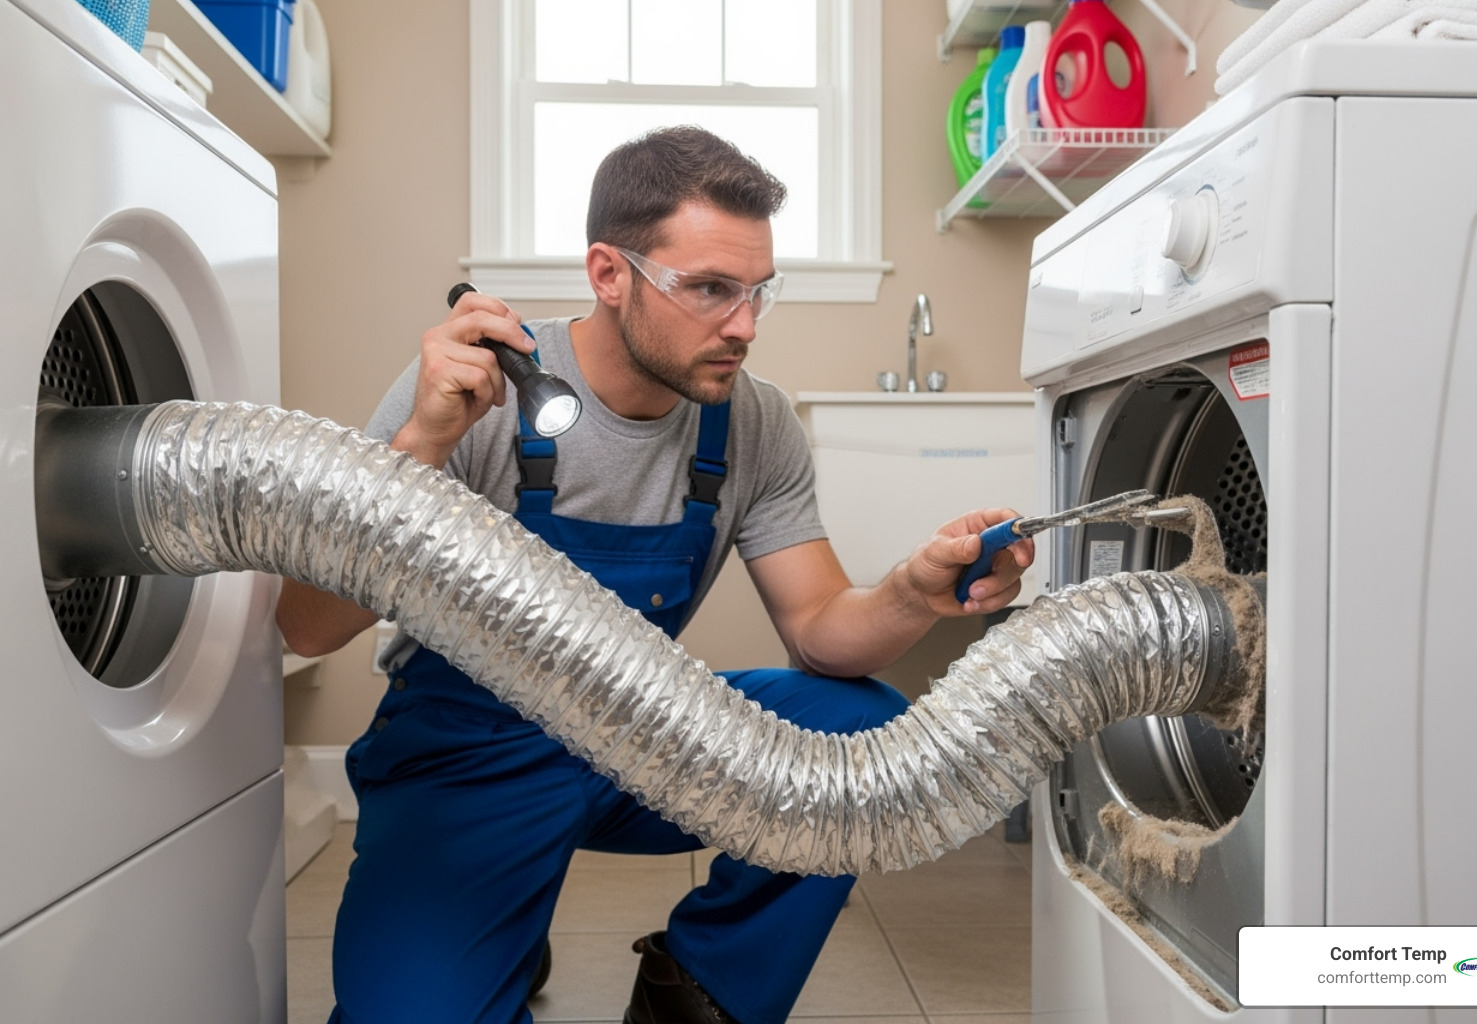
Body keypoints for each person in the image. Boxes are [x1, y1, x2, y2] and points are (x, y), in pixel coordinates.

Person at [277, 125, 1034, 1024]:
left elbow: (820, 627)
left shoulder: (754, 423)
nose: (744, 326)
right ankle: (493, 921)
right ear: (609, 273)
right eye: (710, 289)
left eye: (758, 292)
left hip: (643, 741)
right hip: (464, 760)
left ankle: (699, 995)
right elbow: (307, 629)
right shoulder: (473, 390)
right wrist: (421, 446)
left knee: (859, 729)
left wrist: (911, 592)